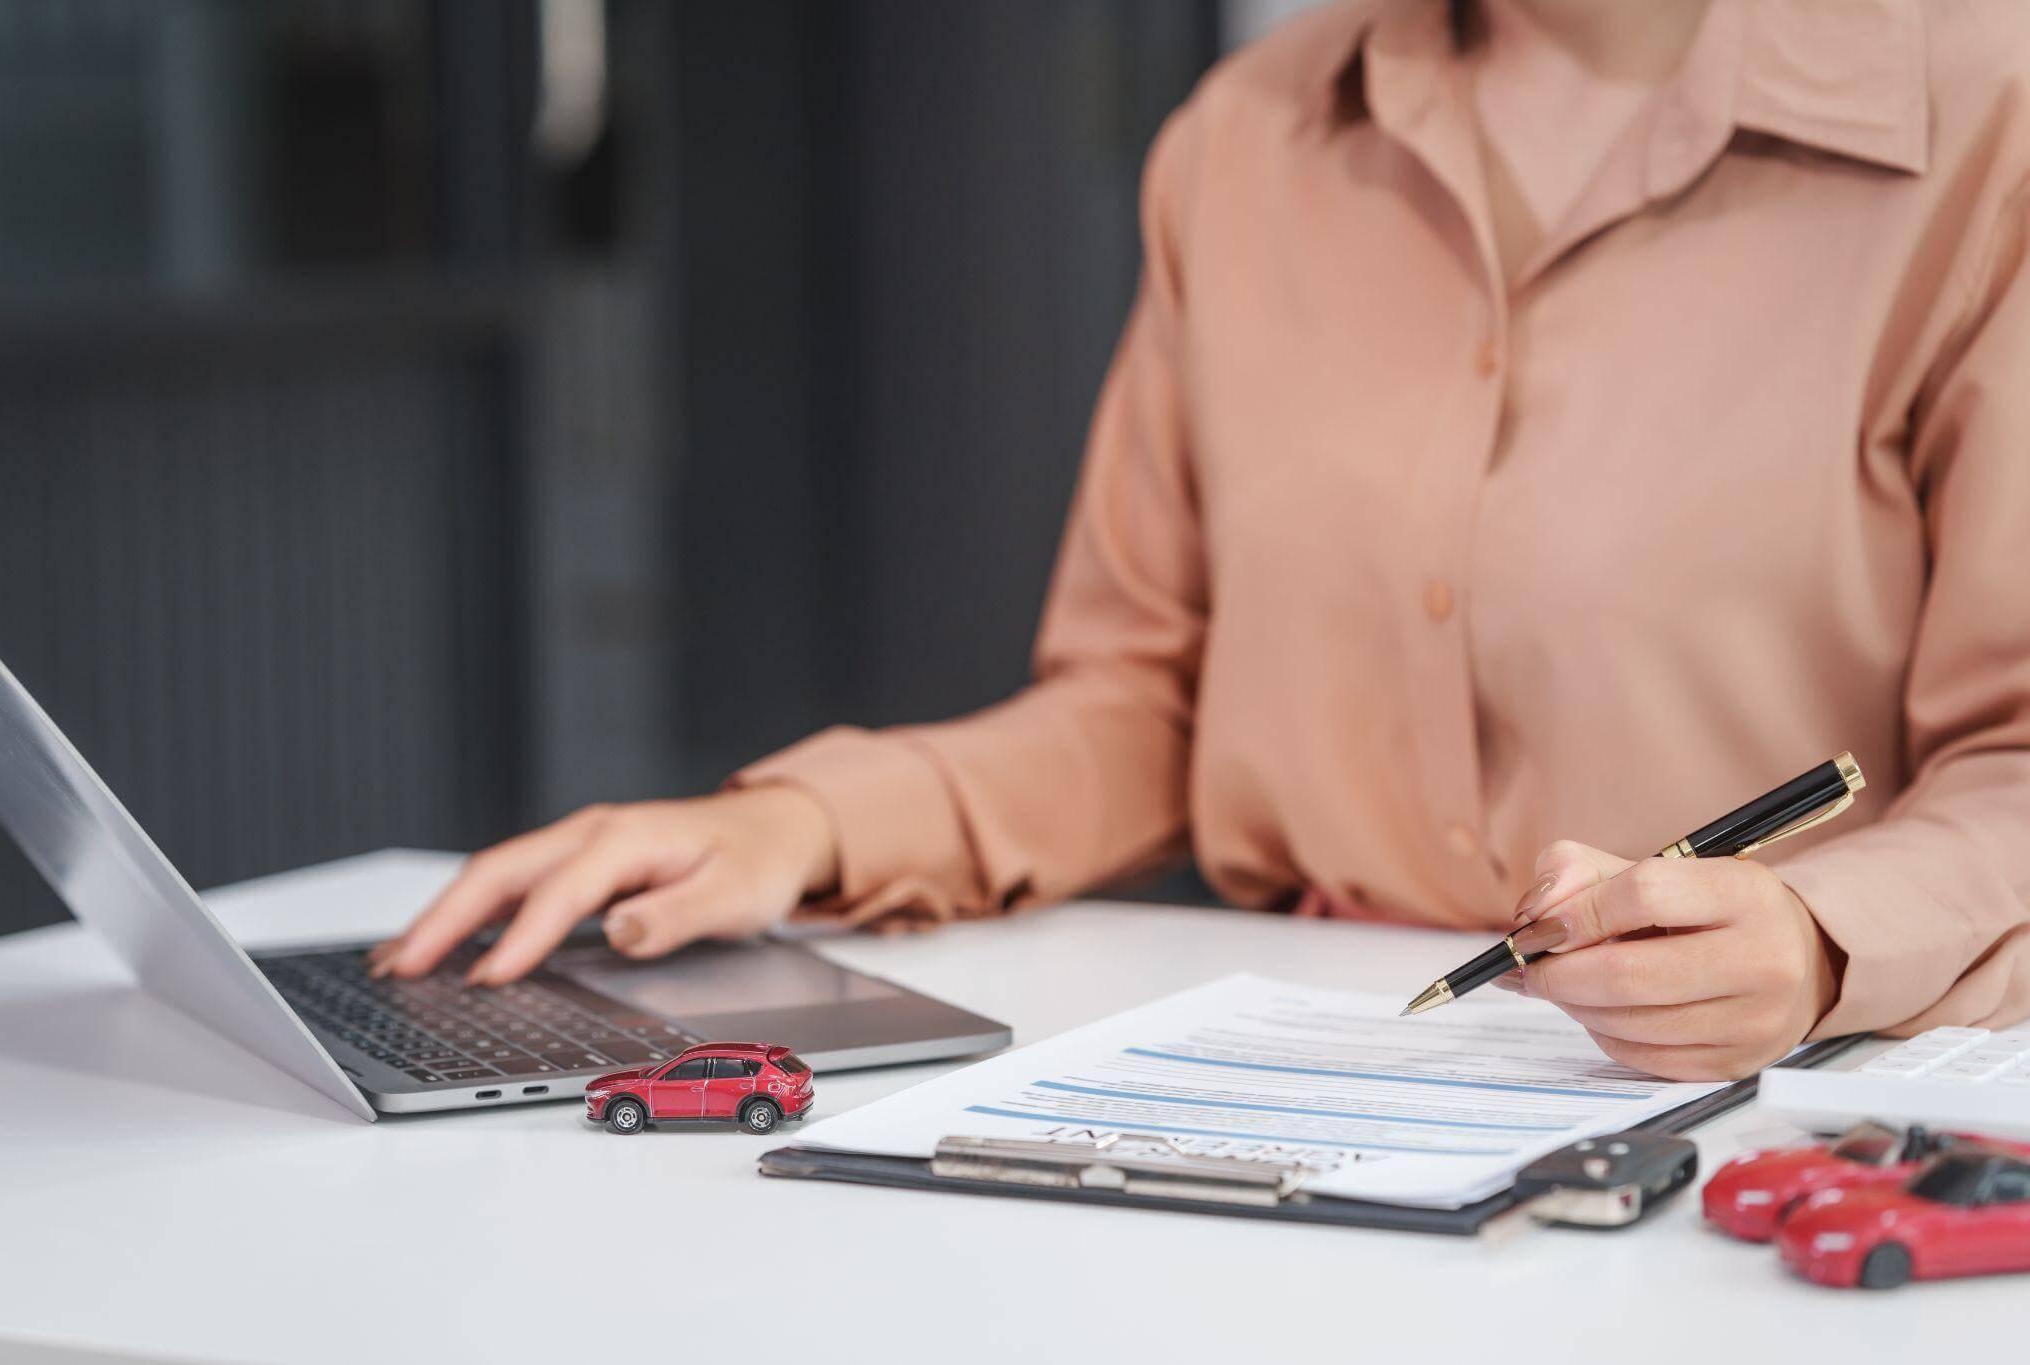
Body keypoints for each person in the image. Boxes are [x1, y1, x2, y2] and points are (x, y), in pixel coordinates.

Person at [372, 0, 2030, 1081]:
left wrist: (1816, 943)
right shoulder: (1243, 145)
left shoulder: (1988, 115)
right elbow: (1152, 697)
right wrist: (799, 826)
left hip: (1789, 1115)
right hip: (1313, 1075)